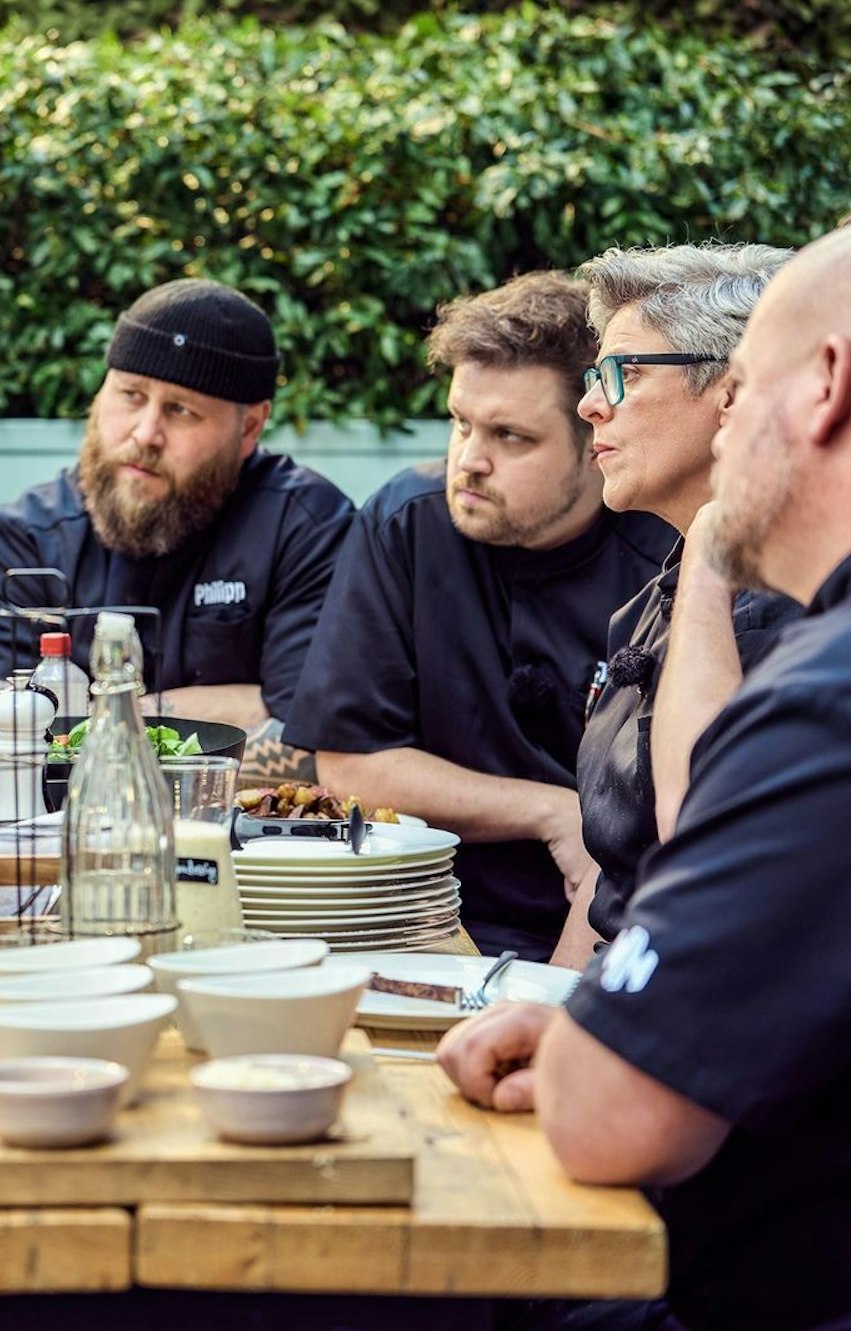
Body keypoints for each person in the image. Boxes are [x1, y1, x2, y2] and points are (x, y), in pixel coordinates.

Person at [438, 212, 851, 1330]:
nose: (726, 423)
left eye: (741, 386)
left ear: (823, 385)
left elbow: (614, 1125)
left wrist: (607, 1057)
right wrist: (617, 1032)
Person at [284, 273, 672, 961]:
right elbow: (348, 762)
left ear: (594, 435)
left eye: (511, 437)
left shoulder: (663, 554)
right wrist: (551, 811)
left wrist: (551, 1006)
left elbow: (665, 820)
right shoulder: (406, 520)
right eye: (460, 422)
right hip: (417, 912)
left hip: (613, 923)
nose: (469, 461)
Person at [0, 279, 355, 782]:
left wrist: (93, 721)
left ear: (249, 428)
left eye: (181, 410)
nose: (144, 434)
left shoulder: (307, 528)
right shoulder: (24, 537)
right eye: (130, 395)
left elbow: (315, 736)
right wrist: (235, 706)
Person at [565, 243, 803, 960]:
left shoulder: (795, 607)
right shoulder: (647, 600)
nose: (588, 402)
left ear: (732, 393)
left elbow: (719, 861)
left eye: (624, 372)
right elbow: (615, 882)